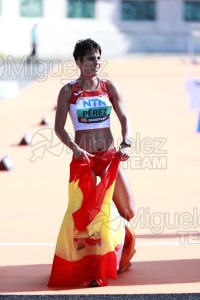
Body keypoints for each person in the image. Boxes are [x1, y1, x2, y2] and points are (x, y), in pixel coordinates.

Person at [48, 38, 136, 288]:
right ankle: (90, 266)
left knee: (127, 211)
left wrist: (126, 142)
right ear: (78, 62)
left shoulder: (109, 87)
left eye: (97, 58)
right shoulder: (69, 91)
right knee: (84, 217)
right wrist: (74, 148)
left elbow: (124, 117)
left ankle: (118, 248)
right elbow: (58, 127)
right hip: (83, 161)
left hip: (108, 158)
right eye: (89, 59)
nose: (94, 63)